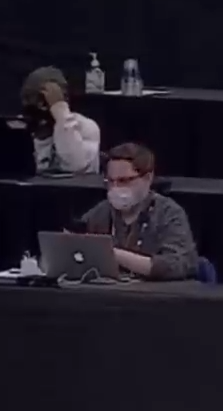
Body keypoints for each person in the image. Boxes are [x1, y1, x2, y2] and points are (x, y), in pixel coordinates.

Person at [75, 143, 201, 281]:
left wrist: (112, 254)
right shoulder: (101, 212)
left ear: (147, 178)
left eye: (124, 181)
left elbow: (177, 265)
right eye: (110, 181)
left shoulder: (169, 213)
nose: (115, 188)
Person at [22, 66, 101, 175]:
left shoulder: (86, 127)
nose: (41, 106)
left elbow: (75, 164)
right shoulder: (22, 130)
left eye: (45, 100)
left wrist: (59, 109)